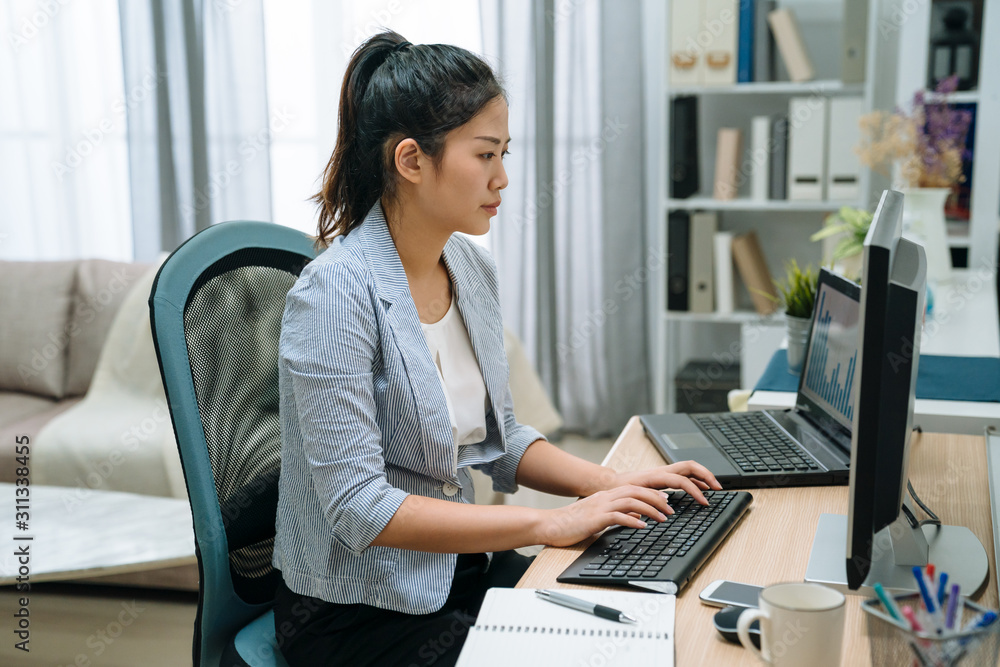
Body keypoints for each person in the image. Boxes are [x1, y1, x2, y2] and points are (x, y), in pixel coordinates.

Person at [271, 30, 721, 666]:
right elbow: (360, 510)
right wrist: (547, 523)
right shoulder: (333, 296)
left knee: (643, 622)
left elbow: (499, 437)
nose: (503, 178)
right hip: (356, 609)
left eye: (504, 153)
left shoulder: (467, 266)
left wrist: (612, 485)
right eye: (485, 155)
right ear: (411, 160)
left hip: (453, 572)